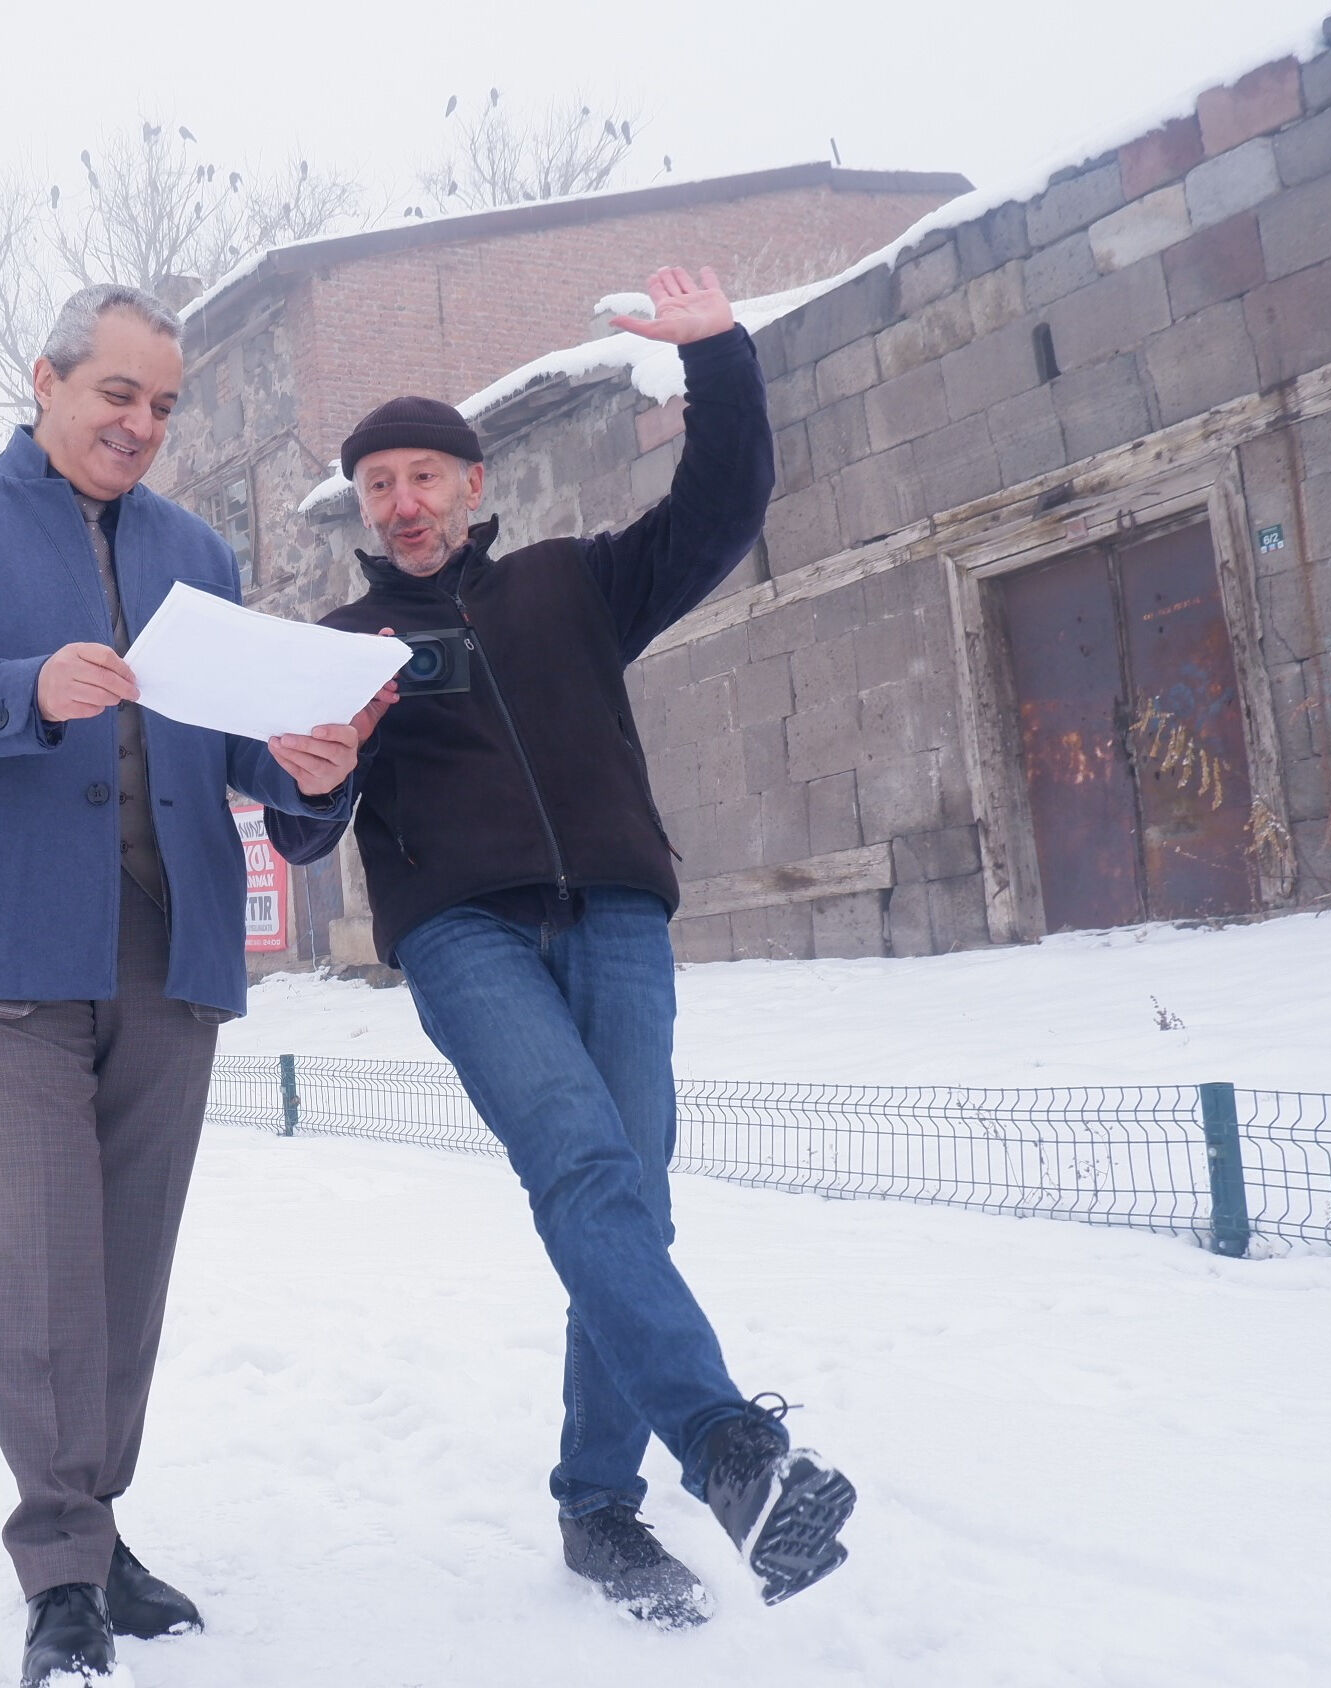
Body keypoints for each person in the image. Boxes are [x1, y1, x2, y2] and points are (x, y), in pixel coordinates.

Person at [268, 266, 856, 1628]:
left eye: (424, 476)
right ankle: (727, 1448)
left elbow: (721, 510)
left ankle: (597, 1505)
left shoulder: (573, 587)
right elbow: (298, 829)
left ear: (474, 486)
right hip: (461, 932)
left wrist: (717, 357)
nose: (402, 502)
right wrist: (311, 770)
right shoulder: (337, 648)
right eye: (377, 488)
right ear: (363, 514)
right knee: (582, 1165)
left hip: (613, 914)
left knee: (627, 1204)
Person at [0, 283, 370, 1687]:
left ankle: (97, 1523)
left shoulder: (197, 552)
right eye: (116, 395)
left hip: (170, 949)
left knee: (124, 1262)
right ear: (47, 380)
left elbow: (245, 743)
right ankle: (59, 1565)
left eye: (162, 405)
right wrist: (25, 689)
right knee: (38, 1263)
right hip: (11, 949)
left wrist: (312, 771)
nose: (140, 423)